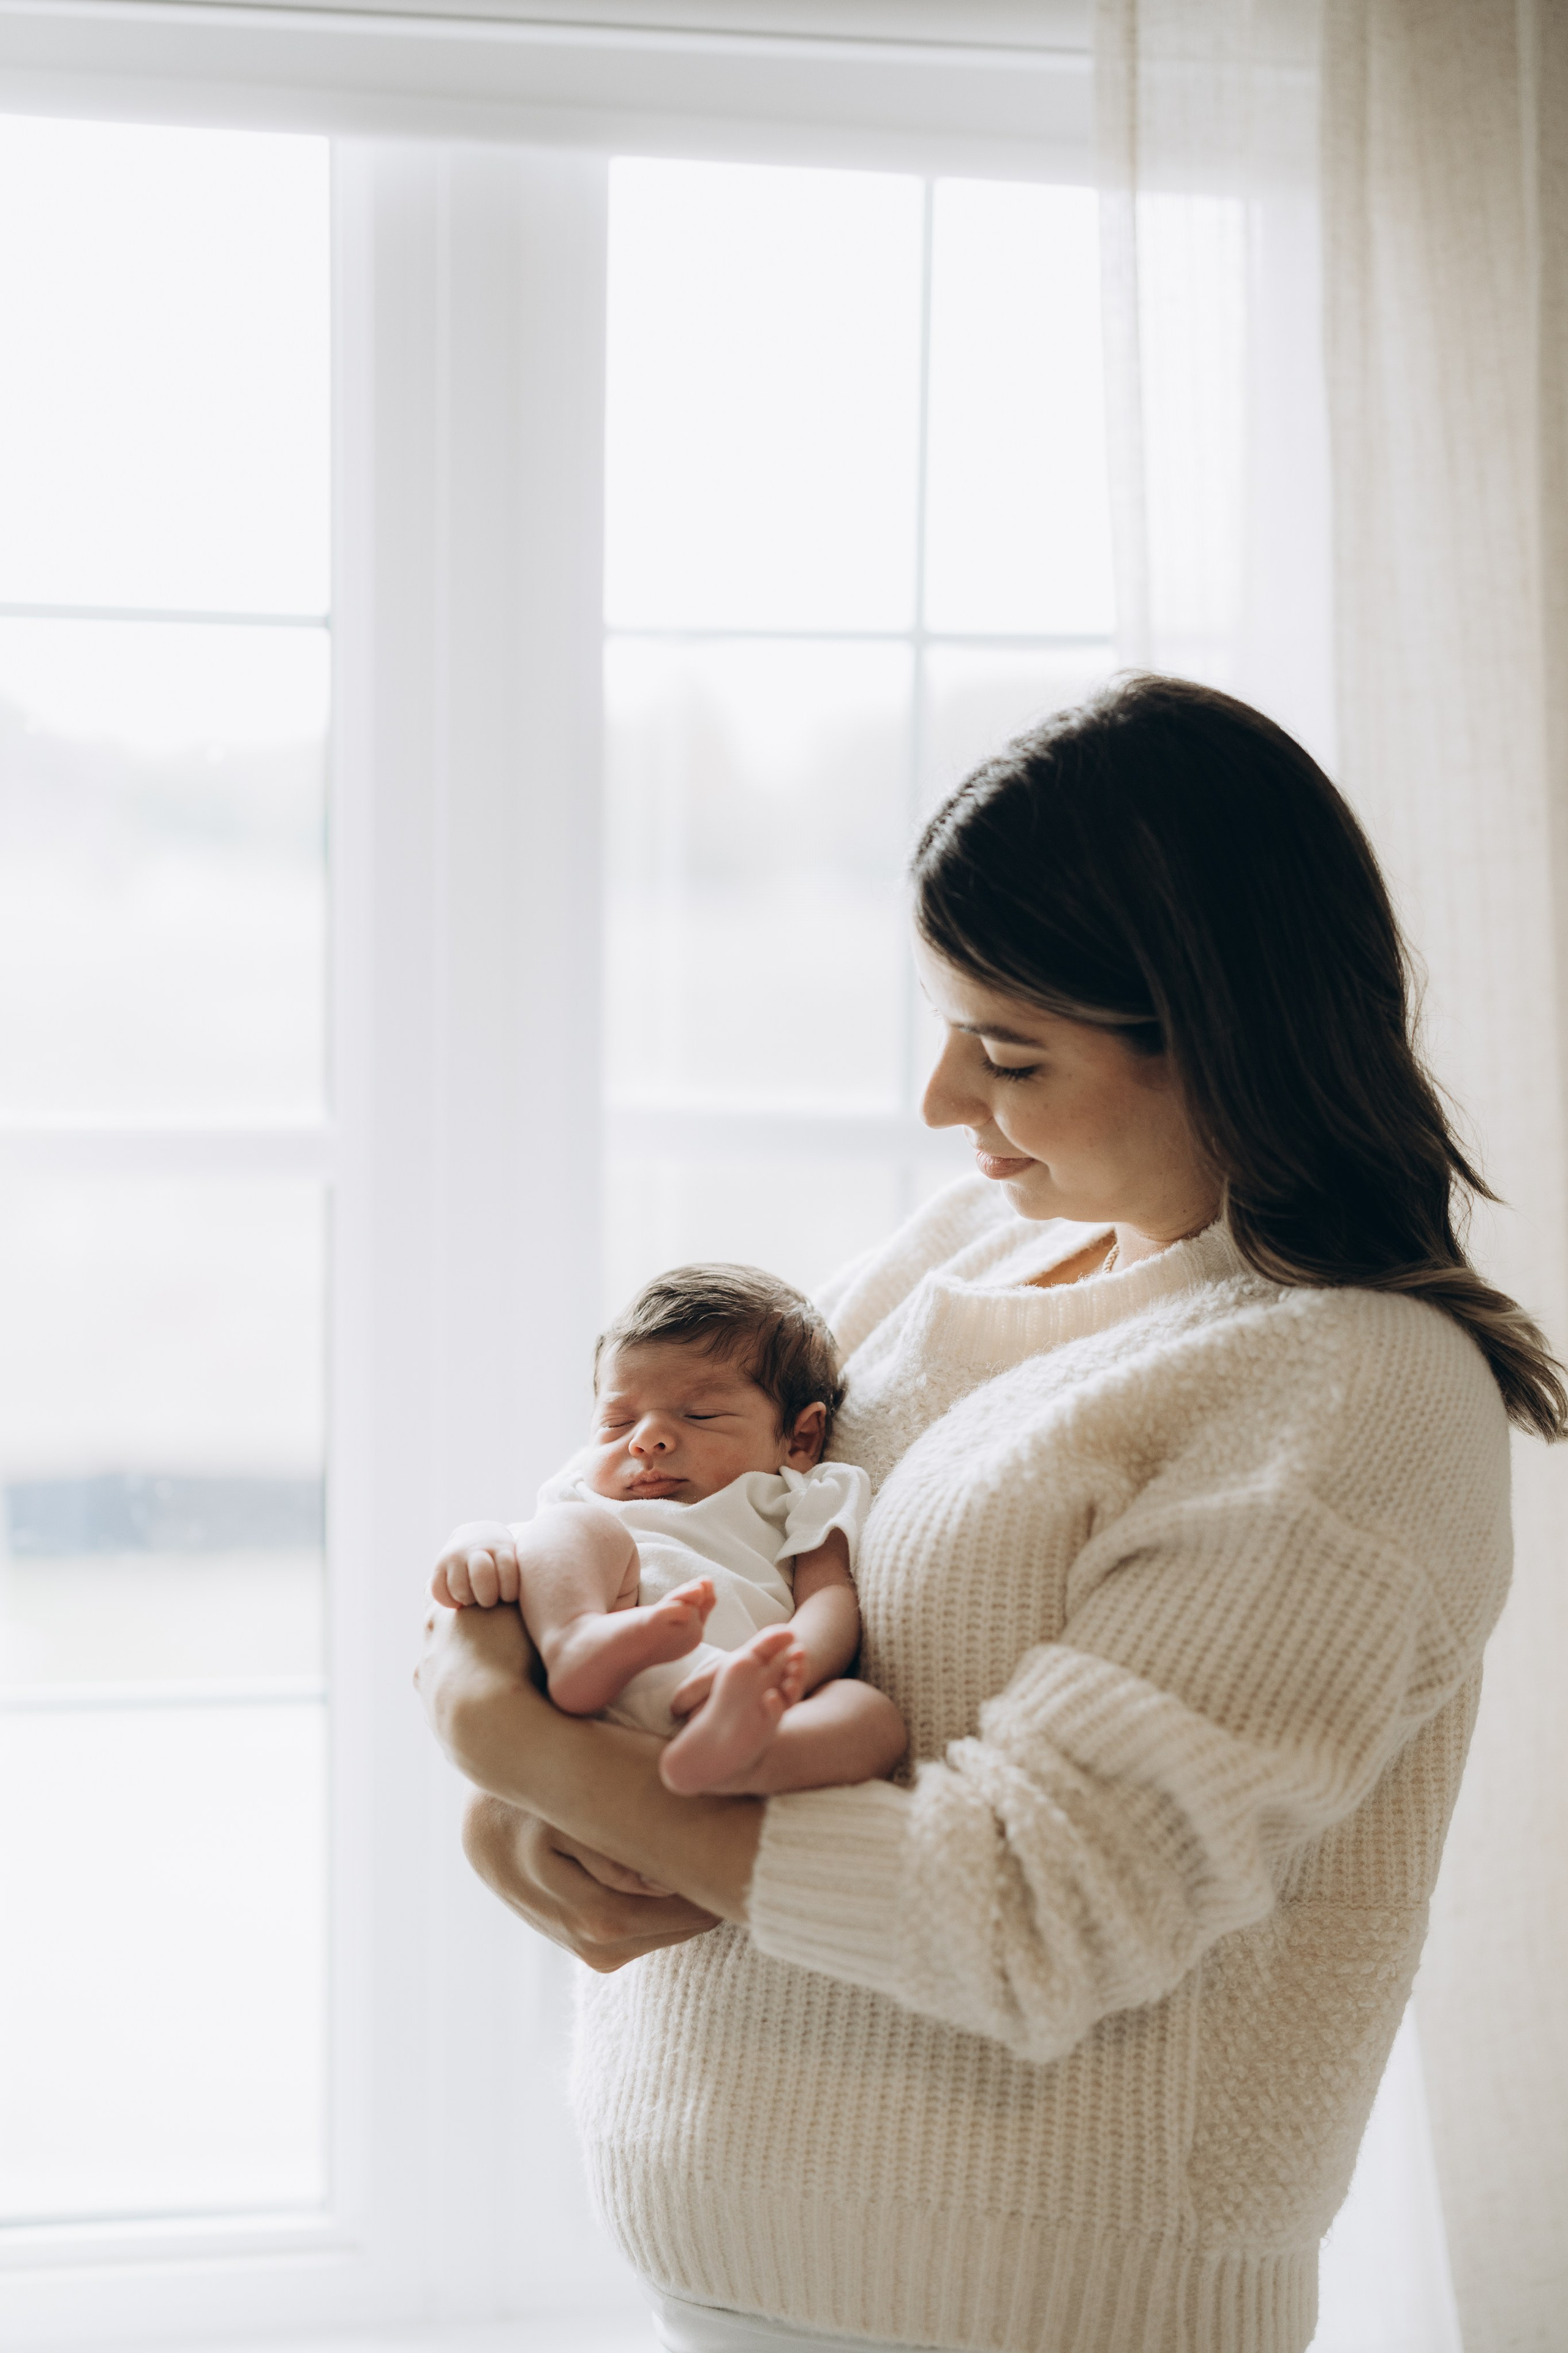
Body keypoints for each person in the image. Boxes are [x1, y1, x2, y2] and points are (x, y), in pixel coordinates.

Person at [416, 674, 1566, 2353]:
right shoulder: (959, 1254)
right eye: (952, 1027)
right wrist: (515, 1808)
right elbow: (642, 1535)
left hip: (1026, 2314)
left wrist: (521, 1757)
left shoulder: (1355, 1394)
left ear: (1219, 1030)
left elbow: (1025, 1915)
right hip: (722, 2269)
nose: (947, 1102)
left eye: (1010, 1050)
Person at [429, 1264, 904, 1797]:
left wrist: (784, 1661)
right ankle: (576, 1641)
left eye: (699, 1414)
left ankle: (746, 1760)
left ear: (800, 1436)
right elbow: (531, 1544)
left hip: (736, 1691)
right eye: (617, 1422)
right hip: (603, 1679)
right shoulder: (587, 1496)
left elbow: (829, 1595)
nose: (646, 1439)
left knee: (873, 1718)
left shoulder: (807, 1491)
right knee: (574, 1526)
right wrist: (477, 1538)